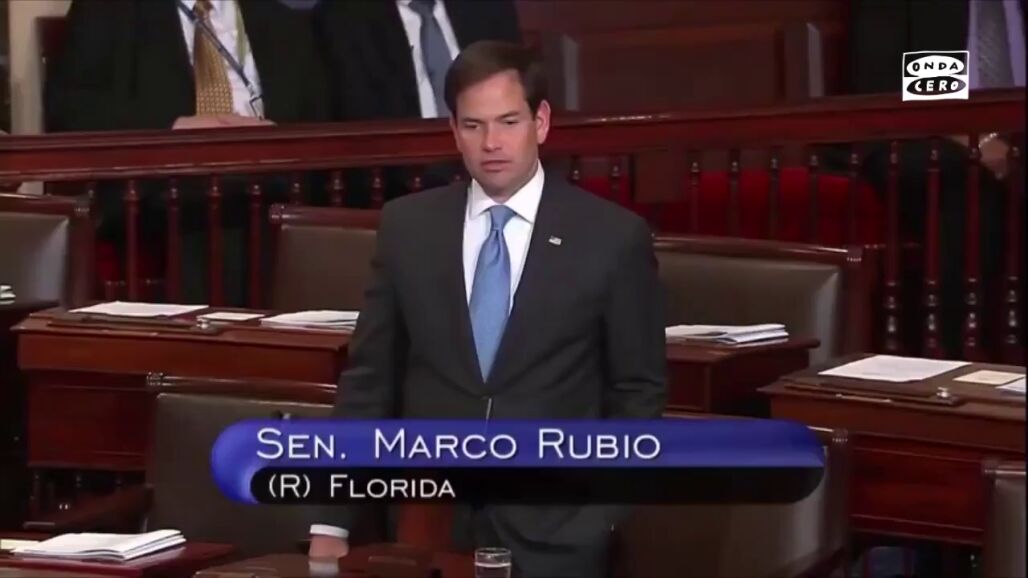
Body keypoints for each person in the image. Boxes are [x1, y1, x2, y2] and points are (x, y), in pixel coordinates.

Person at [307, 41, 668, 578]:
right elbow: (370, 379)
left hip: (557, 535)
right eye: (474, 126)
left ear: (541, 122)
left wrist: (598, 516)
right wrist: (331, 523)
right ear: (454, 131)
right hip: (427, 527)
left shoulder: (611, 237)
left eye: (508, 122)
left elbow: (638, 392)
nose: (491, 143)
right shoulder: (409, 228)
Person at [45, 0, 331, 304]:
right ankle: (220, 330)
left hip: (268, 185)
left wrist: (272, 138)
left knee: (272, 209)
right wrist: (173, 128)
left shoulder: (281, 19)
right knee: (213, 203)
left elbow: (320, 119)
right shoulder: (109, 10)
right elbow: (69, 110)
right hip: (161, 191)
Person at [830, 0, 1024, 359]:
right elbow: (883, 88)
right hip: (918, 136)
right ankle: (958, 353)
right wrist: (977, 142)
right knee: (966, 182)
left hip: (1015, 144)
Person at [314, 0, 522, 206]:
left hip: (494, 178)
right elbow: (358, 116)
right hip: (398, 188)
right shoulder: (343, 18)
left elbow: (519, 96)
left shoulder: (489, 7)